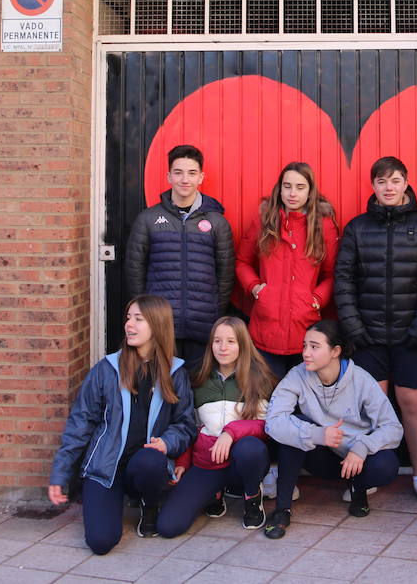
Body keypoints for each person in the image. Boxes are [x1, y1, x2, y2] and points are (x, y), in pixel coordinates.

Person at [332, 155, 417, 504]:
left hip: (411, 335)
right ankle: (369, 474)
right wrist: (354, 328)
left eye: (395, 180)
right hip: (368, 337)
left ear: (406, 182)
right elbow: (344, 280)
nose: (389, 187)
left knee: (413, 403)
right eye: (382, 182)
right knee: (372, 407)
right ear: (373, 186)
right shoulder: (356, 228)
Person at [48, 295, 196, 555]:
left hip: (145, 466)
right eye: (129, 318)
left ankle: (149, 506)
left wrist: (168, 441)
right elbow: (80, 423)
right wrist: (60, 474)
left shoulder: (175, 373)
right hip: (106, 467)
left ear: (157, 325)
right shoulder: (107, 369)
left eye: (138, 319)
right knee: (101, 542)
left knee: (151, 461)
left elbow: (185, 424)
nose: (129, 325)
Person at [261, 319, 403, 539]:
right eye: (305, 345)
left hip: (356, 461)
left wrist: (361, 447)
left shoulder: (361, 379)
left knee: (386, 465)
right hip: (322, 457)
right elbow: (274, 422)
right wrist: (317, 434)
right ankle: (282, 510)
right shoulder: (298, 375)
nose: (306, 353)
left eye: (315, 347)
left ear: (335, 351)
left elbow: (393, 428)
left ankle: (359, 488)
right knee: (294, 427)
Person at [158, 316, 277, 537]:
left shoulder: (259, 379)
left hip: (243, 464)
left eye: (231, 341)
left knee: (250, 448)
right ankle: (215, 494)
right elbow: (189, 426)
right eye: (217, 341)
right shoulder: (198, 381)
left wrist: (230, 433)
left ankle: (252, 497)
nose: (223, 347)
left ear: (243, 345)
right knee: (168, 526)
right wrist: (183, 461)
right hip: (207, 464)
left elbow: (267, 426)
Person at [125, 144, 235, 367]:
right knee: (162, 386)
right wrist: (147, 314)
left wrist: (212, 308)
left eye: (192, 173)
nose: (185, 179)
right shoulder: (148, 219)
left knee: (196, 387)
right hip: (161, 323)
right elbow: (134, 270)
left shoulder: (217, 222)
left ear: (201, 177)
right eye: (178, 172)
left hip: (202, 323)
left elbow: (226, 274)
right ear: (168, 176)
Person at [236, 161, 340, 379]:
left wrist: (317, 299)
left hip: (306, 332)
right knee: (269, 400)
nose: (293, 193)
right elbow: (242, 262)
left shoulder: (323, 225)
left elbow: (332, 274)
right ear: (279, 188)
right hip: (266, 328)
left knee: (304, 403)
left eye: (300, 187)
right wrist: (256, 289)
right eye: (287, 186)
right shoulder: (264, 220)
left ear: (310, 191)